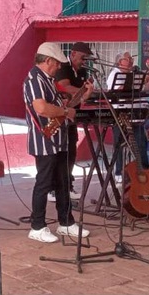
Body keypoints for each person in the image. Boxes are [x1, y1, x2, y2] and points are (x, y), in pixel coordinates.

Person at [23, 42, 90, 243]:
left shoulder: (48, 80)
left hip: (58, 138)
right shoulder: (35, 78)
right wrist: (64, 111)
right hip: (44, 139)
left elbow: (65, 106)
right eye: (57, 63)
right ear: (48, 60)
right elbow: (42, 108)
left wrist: (84, 94)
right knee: (44, 182)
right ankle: (37, 226)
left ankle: (66, 223)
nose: (59, 67)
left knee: (62, 181)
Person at [52, 42, 94, 202]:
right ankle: (53, 189)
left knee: (71, 151)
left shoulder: (83, 71)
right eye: (83, 57)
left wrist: (89, 93)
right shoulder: (63, 67)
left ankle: (67, 186)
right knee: (58, 153)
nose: (84, 61)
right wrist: (85, 90)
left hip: (72, 115)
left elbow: (83, 95)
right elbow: (64, 87)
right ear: (74, 53)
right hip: (59, 114)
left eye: (86, 58)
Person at [107, 52, 149, 183]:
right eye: (128, 59)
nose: (131, 61)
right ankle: (119, 172)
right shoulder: (115, 73)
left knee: (141, 142)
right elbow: (116, 90)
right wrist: (132, 83)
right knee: (119, 143)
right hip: (121, 113)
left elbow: (146, 90)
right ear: (119, 62)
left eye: (131, 59)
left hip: (135, 111)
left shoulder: (132, 74)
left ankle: (145, 171)